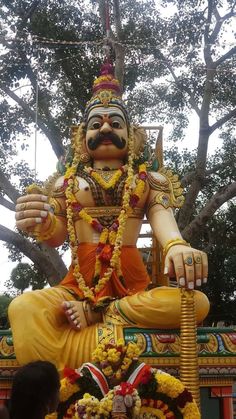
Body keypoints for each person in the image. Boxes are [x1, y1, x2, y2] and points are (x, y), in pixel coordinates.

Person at [9, 63, 210, 370]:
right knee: (23, 307)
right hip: (74, 287)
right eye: (96, 125)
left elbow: (163, 220)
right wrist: (41, 221)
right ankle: (73, 373)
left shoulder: (148, 180)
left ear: (133, 137)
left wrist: (176, 246)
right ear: (81, 137)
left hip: (132, 291)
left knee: (196, 303)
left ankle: (100, 316)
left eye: (116, 124)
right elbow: (57, 235)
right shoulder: (67, 184)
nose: (105, 129)